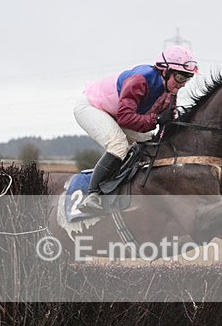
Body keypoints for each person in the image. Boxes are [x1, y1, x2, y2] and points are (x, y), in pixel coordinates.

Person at [73, 45, 199, 212]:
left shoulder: (170, 89)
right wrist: (157, 119)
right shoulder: (140, 80)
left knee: (149, 142)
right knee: (118, 146)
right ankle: (93, 195)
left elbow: (166, 123)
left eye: (186, 79)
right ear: (165, 71)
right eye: (180, 78)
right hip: (92, 106)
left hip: (115, 112)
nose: (182, 84)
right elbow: (126, 118)